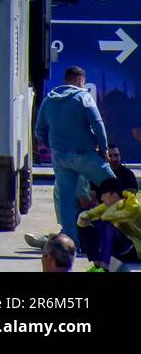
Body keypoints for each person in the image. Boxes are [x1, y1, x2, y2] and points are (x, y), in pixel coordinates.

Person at [33, 65, 114, 246]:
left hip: (60, 157)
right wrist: (103, 149)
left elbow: (39, 131)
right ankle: (129, 232)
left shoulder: (49, 100)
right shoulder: (84, 97)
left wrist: (55, 146)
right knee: (116, 188)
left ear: (65, 80)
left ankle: (70, 245)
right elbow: (97, 124)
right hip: (84, 155)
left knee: (66, 201)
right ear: (80, 81)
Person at [76, 178, 141, 271]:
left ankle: (104, 266)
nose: (101, 198)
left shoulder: (133, 206)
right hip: (117, 242)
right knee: (81, 215)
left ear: (113, 194)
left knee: (106, 225)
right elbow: (88, 215)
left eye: (103, 195)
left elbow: (110, 217)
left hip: (133, 249)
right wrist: (84, 219)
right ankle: (97, 265)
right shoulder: (112, 203)